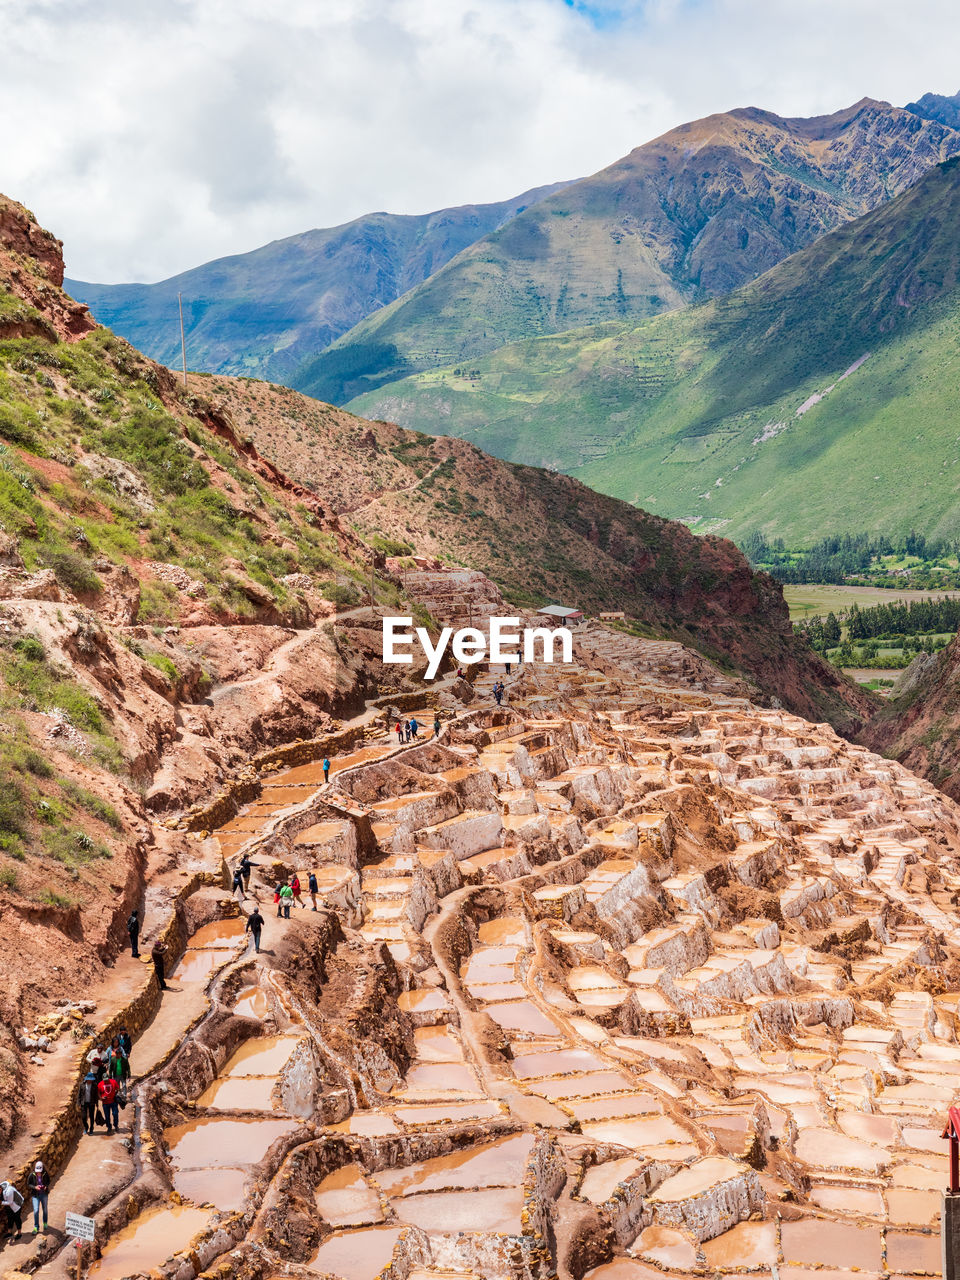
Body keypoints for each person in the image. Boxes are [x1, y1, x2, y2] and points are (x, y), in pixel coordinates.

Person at [27, 1162, 50, 1234]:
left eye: (40, 1171)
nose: (38, 1173)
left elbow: (48, 1181)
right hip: (35, 1195)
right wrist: (35, 1187)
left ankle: (45, 1223)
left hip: (44, 1195)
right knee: (36, 1211)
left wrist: (46, 1186)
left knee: (45, 1209)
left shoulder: (45, 1173)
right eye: (37, 1171)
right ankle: (36, 1227)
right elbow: (28, 1184)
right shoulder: (32, 1175)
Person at [79, 1070, 98, 1135]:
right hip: (84, 1103)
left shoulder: (94, 1085)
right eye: (89, 1079)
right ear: (86, 1079)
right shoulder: (82, 1085)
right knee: (84, 1117)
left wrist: (97, 1104)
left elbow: (96, 1095)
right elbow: (79, 1095)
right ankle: (86, 1127)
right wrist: (78, 1103)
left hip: (91, 1103)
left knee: (91, 1116)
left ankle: (91, 1129)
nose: (90, 1081)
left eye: (91, 1080)